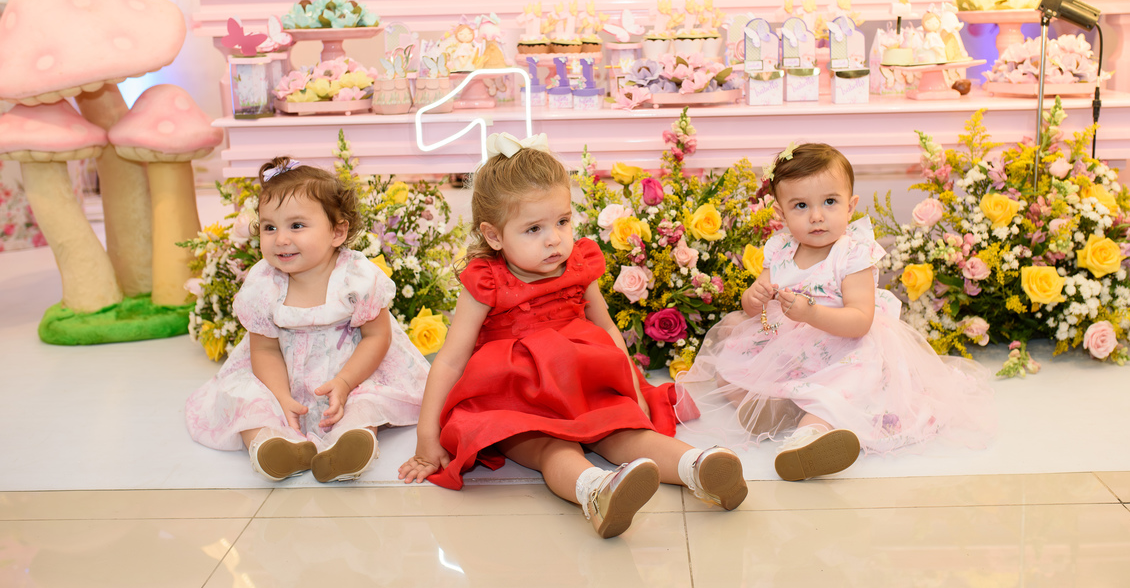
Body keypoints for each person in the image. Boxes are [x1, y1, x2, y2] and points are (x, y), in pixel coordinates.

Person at [398, 133, 747, 538]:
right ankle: (597, 490)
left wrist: (633, 390)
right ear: (494, 236)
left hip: (583, 383)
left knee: (624, 431)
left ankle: (698, 466)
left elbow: (607, 327)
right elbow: (450, 360)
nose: (554, 239)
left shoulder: (578, 264)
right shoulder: (486, 280)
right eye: (533, 229)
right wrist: (427, 435)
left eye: (562, 222)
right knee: (551, 447)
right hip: (517, 397)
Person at [675, 142, 995, 481]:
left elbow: (860, 321)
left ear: (850, 205)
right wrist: (754, 298)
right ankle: (780, 408)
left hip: (843, 347)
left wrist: (810, 314)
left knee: (841, 390)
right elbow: (755, 309)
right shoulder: (781, 249)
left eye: (829, 202)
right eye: (801, 205)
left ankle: (809, 439)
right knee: (730, 370)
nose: (816, 216)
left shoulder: (852, 254)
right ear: (781, 214)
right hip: (789, 346)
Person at [186, 158, 429, 483]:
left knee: (366, 400)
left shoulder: (356, 277)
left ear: (337, 232)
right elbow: (265, 350)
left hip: (351, 372)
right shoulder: (263, 283)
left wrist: (345, 382)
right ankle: (271, 445)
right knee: (247, 398)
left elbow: (377, 337)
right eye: (270, 227)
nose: (280, 239)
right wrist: (281, 396)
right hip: (280, 375)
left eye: (297, 226)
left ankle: (350, 444)